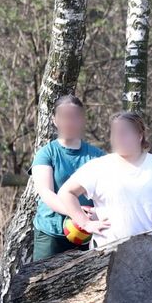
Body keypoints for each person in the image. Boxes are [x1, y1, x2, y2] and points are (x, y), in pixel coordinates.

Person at [55, 112, 152, 247]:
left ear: (139, 136)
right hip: (107, 249)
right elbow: (66, 193)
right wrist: (85, 223)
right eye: (115, 133)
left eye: (124, 133)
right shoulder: (98, 167)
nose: (119, 138)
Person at [30, 95, 105, 261]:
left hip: (86, 233)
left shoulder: (97, 156)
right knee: (43, 283)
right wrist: (77, 213)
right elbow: (46, 193)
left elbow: (108, 194)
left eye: (74, 117)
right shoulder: (46, 153)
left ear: (82, 120)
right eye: (64, 117)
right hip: (51, 233)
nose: (69, 122)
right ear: (54, 120)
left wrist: (95, 215)